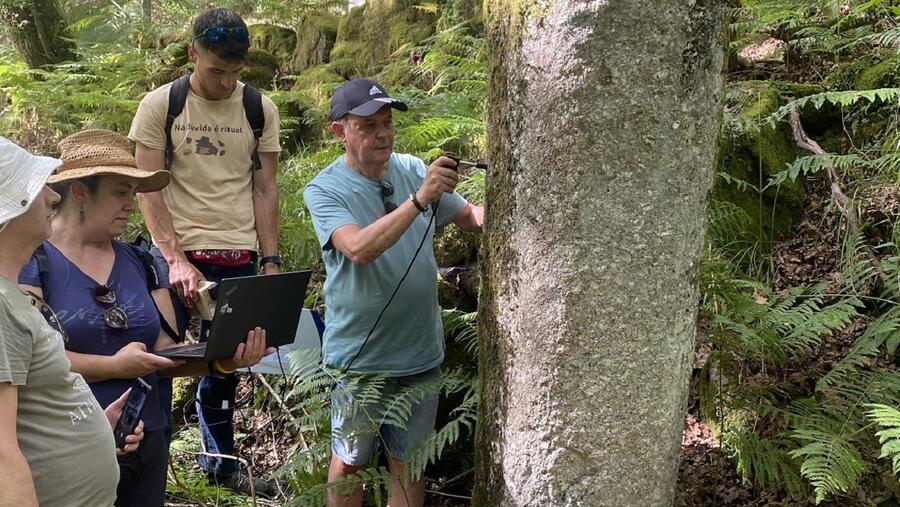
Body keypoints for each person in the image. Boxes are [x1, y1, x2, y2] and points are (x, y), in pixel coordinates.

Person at [16, 129, 275, 507]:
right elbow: (29, 359)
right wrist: (115, 366)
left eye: (134, 194)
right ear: (80, 191)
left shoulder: (143, 262)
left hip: (147, 438)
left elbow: (165, 355)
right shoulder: (32, 263)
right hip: (69, 443)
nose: (131, 205)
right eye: (121, 192)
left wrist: (222, 361)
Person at [303, 78, 484, 507]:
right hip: (360, 360)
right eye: (368, 126)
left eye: (387, 123)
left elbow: (472, 218)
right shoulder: (324, 189)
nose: (383, 133)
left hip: (420, 353)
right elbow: (358, 248)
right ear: (339, 131)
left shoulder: (411, 168)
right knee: (349, 465)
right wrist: (420, 199)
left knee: (411, 464)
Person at [127, 7, 281, 496]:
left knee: (226, 364)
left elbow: (265, 189)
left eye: (235, 73)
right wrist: (173, 257)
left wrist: (271, 260)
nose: (225, 82)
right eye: (216, 70)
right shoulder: (161, 106)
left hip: (237, 254)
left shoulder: (259, 108)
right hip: (173, 255)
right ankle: (147, 463)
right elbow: (148, 188)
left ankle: (220, 466)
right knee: (160, 359)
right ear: (193, 54)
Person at [0, 136, 145, 507]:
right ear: (9, 207)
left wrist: (89, 426)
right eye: (38, 187)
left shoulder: (11, 298)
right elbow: (2, 456)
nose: (53, 196)